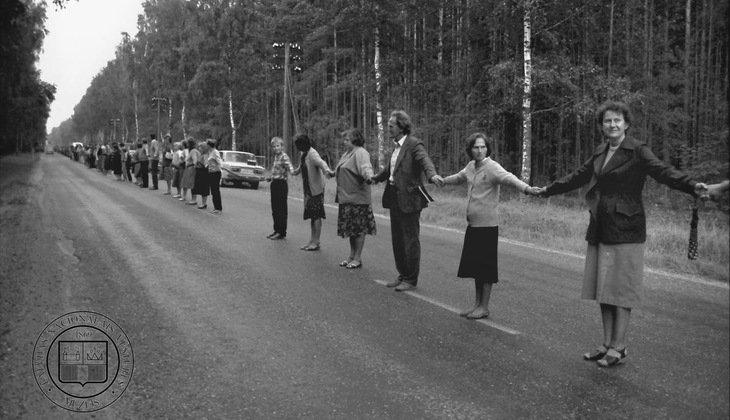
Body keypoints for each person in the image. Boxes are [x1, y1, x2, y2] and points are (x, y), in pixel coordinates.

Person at [530, 100, 707, 367]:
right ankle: (606, 343)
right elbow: (578, 176)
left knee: (620, 290)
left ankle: (620, 346)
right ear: (602, 126)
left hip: (626, 228)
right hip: (601, 225)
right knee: (604, 289)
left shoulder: (637, 150)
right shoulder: (601, 151)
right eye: (607, 121)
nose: (612, 125)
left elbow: (663, 172)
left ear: (626, 124)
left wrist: (693, 186)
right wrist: (548, 190)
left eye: (617, 120)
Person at [440, 133, 530, 319]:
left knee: (486, 268)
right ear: (470, 149)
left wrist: (527, 189)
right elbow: (459, 177)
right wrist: (443, 181)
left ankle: (484, 307)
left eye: (483, 147)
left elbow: (509, 178)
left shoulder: (492, 167)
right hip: (473, 225)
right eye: (476, 147)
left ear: (487, 148)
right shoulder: (471, 167)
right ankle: (477, 304)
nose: (480, 151)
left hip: (487, 226)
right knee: (475, 268)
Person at [371, 110, 443, 291]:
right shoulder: (396, 147)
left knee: (410, 239)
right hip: (395, 197)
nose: (388, 128)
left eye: (391, 125)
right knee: (397, 239)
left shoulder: (413, 144)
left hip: (410, 199)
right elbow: (390, 171)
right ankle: (402, 274)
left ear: (402, 126)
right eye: (388, 125)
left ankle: (411, 279)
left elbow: (425, 160)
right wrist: (374, 178)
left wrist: (432, 175)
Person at [333, 129, 376, 269]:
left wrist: (369, 177)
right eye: (344, 139)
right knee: (351, 229)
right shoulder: (347, 153)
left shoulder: (361, 152)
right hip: (346, 197)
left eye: (347, 139)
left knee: (359, 229)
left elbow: (365, 168)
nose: (344, 142)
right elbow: (340, 169)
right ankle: (351, 256)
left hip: (358, 198)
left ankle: (357, 258)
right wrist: (331, 173)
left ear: (355, 140)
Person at [291, 134, 333, 251]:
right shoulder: (304, 153)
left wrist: (327, 171)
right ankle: (312, 240)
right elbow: (302, 165)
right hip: (308, 190)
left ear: (302, 144)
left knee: (316, 215)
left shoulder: (312, 153)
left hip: (316, 190)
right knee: (311, 215)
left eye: (297, 145)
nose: (296, 148)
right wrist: (295, 171)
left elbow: (321, 163)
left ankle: (316, 241)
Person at [266, 137, 294, 240]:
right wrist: (270, 177)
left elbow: (290, 168)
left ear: (282, 146)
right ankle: (276, 230)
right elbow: (277, 171)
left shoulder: (284, 157)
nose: (275, 148)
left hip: (281, 185)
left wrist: (294, 171)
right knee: (275, 209)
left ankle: (281, 232)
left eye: (278, 146)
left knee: (281, 209)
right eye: (273, 146)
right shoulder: (276, 157)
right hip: (274, 183)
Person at [205, 139, 223, 214]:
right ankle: (215, 207)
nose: (206, 146)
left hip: (216, 173)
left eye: (206, 144)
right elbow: (210, 162)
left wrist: (219, 169)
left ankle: (218, 208)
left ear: (209, 145)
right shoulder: (210, 152)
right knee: (213, 191)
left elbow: (219, 162)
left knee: (215, 191)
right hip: (211, 173)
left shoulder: (215, 152)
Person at [193, 141, 209, 209]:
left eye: (201, 147)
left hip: (203, 173)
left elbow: (206, 165)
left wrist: (198, 163)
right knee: (201, 188)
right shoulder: (202, 155)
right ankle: (203, 203)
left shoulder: (205, 155)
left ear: (204, 148)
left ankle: (204, 203)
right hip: (199, 172)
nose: (199, 149)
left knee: (204, 188)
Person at [180, 139, 198, 203]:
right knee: (188, 183)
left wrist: (192, 165)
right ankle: (190, 198)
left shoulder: (193, 151)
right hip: (189, 168)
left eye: (188, 143)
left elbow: (195, 161)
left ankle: (194, 199)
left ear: (190, 144)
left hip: (191, 169)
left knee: (192, 184)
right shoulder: (192, 151)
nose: (187, 145)